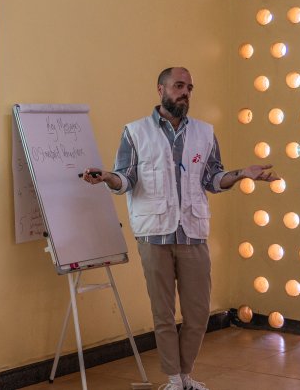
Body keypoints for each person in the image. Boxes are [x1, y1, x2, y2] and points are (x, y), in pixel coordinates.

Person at [81, 67, 277, 390]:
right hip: (154, 234)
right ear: (160, 89)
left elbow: (213, 178)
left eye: (189, 87)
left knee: (198, 313)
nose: (185, 92)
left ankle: (187, 373)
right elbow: (125, 178)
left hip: (192, 233)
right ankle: (174, 379)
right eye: (178, 86)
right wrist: (106, 177)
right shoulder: (135, 132)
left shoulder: (204, 133)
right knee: (163, 314)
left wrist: (242, 173)